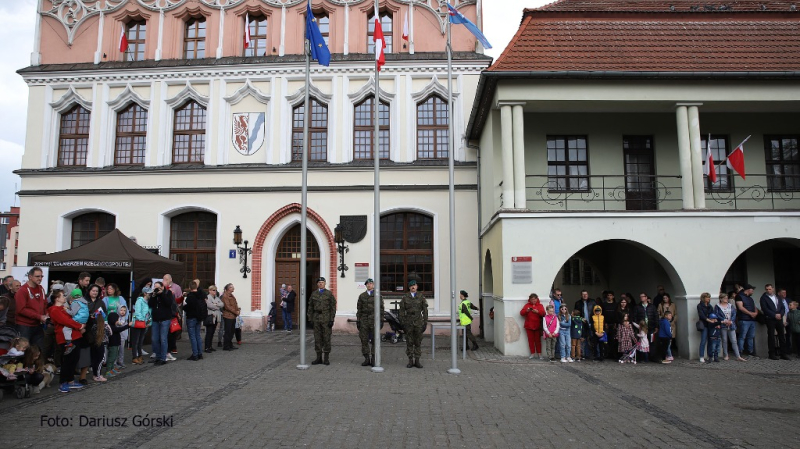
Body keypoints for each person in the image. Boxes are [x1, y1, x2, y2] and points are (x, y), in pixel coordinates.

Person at [48, 289, 85, 393]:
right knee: (68, 360)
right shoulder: (55, 310)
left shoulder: (64, 308)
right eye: (62, 296)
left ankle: (70, 380)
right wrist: (79, 326)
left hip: (75, 335)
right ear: (57, 298)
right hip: (65, 337)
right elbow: (66, 321)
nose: (64, 297)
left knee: (74, 358)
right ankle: (63, 382)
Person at [14, 267, 48, 347]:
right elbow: (21, 309)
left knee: (37, 350)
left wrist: (46, 314)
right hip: (24, 326)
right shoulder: (22, 290)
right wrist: (39, 316)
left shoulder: (41, 288)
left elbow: (45, 304)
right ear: (30, 277)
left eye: (41, 276)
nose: (40, 278)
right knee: (23, 351)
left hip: (38, 325)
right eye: (37, 276)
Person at [308, 277, 337, 365]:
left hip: (326, 318)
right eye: (319, 282)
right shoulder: (314, 294)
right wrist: (310, 319)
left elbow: (333, 307)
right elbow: (310, 307)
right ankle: (318, 357)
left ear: (325, 284)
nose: (321, 284)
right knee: (317, 338)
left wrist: (331, 319)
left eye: (322, 282)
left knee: (326, 338)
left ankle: (326, 358)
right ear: (317, 284)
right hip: (316, 318)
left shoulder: (329, 294)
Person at [399, 279, 426, 369]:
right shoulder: (405, 297)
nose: (413, 287)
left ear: (417, 286)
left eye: (414, 285)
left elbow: (425, 310)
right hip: (408, 322)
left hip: (418, 321)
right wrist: (402, 323)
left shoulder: (421, 297)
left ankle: (417, 360)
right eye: (411, 286)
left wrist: (425, 322)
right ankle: (410, 360)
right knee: (409, 342)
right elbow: (402, 311)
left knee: (418, 342)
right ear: (409, 287)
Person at [356, 278, 384, 367]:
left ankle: (373, 359)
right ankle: (366, 358)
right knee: (364, 339)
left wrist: (381, 320)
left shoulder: (377, 295)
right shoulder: (362, 296)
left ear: (373, 285)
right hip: (364, 320)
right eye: (368, 284)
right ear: (366, 285)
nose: (369, 285)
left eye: (371, 284)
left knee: (375, 340)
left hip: (374, 320)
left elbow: (381, 309)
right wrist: (358, 320)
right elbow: (359, 309)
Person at [84, 284, 108, 382]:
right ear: (89, 291)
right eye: (93, 291)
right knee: (89, 354)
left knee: (99, 353)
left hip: (98, 330)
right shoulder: (84, 301)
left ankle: (97, 374)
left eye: (97, 291)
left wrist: (100, 315)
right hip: (87, 331)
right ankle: (84, 374)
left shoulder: (100, 302)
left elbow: (105, 314)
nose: (95, 293)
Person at [760, 283, 789, 360]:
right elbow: (765, 309)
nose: (768, 290)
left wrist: (781, 314)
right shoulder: (763, 298)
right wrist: (774, 315)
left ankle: (783, 353)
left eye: (770, 289)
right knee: (771, 336)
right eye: (767, 289)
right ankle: (772, 353)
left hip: (779, 318)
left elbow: (782, 307)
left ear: (773, 289)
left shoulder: (778, 297)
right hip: (770, 319)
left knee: (782, 336)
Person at [148, 281, 174, 366]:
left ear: (162, 287)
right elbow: (150, 305)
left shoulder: (168, 293)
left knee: (163, 339)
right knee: (154, 339)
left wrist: (162, 294)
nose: (156, 289)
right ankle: (158, 356)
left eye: (158, 288)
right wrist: (153, 296)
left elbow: (168, 303)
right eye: (155, 287)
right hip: (155, 319)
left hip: (165, 319)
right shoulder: (154, 294)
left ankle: (163, 358)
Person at [715, 292, 745, 362]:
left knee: (734, 340)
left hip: (731, 324)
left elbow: (734, 313)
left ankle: (738, 356)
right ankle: (726, 355)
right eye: (725, 298)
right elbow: (717, 315)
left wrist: (731, 321)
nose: (726, 299)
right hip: (723, 325)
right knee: (724, 340)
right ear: (721, 299)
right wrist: (724, 320)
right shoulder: (717, 306)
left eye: (727, 298)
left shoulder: (730, 305)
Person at [183, 280, 207, 361]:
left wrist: (184, 307)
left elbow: (188, 307)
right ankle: (200, 353)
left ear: (190, 288)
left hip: (192, 317)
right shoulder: (201, 295)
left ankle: (195, 354)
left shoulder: (191, 296)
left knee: (192, 336)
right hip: (199, 317)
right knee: (198, 336)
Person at [735, 284, 758, 357]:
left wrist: (755, 313)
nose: (753, 292)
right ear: (748, 290)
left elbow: (754, 307)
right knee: (742, 336)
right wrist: (750, 313)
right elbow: (740, 308)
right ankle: (740, 351)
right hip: (744, 319)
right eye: (752, 290)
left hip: (751, 319)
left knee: (751, 336)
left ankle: (750, 351)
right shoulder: (739, 296)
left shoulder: (750, 298)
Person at [130, 287, 151, 365]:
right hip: (138, 323)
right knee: (136, 341)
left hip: (143, 323)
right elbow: (138, 312)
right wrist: (143, 320)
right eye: (149, 293)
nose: (151, 294)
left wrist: (147, 321)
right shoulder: (140, 301)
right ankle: (134, 357)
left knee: (140, 341)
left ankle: (139, 356)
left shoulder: (147, 301)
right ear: (145, 293)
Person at [105, 310, 129, 377]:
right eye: (117, 319)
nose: (118, 320)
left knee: (114, 357)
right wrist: (127, 326)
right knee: (111, 357)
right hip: (112, 344)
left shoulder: (114, 326)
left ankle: (112, 369)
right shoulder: (111, 327)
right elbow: (119, 329)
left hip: (115, 344)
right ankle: (108, 370)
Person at [521, 293, 545, 360]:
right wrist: (527, 311)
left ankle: (539, 353)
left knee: (538, 341)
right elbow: (521, 313)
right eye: (532, 299)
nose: (533, 301)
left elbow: (543, 314)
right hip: (529, 325)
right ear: (530, 300)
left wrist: (538, 312)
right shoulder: (527, 305)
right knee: (530, 340)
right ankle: (532, 353)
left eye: (535, 299)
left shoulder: (540, 305)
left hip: (537, 325)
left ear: (537, 299)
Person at [573, 290, 596, 360]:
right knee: (583, 339)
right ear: (581, 295)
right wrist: (580, 319)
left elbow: (596, 311)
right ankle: (584, 354)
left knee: (592, 338)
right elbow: (576, 313)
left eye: (586, 294)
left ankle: (593, 354)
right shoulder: (578, 303)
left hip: (591, 322)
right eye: (583, 294)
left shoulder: (593, 302)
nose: (585, 295)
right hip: (582, 323)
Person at [221, 283, 241, 351]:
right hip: (228, 316)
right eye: (231, 287)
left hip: (233, 316)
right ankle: (226, 346)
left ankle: (230, 344)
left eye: (233, 287)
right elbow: (227, 307)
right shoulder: (225, 296)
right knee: (228, 331)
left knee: (232, 331)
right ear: (227, 289)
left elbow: (235, 304)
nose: (233, 288)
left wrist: (238, 310)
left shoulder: (232, 295)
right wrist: (236, 312)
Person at [697, 292, 716, 363]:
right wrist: (709, 320)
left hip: (710, 325)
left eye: (709, 297)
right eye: (707, 297)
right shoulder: (700, 306)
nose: (709, 299)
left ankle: (709, 355)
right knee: (703, 340)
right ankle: (701, 356)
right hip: (704, 324)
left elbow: (712, 313)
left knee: (710, 341)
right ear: (704, 298)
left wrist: (713, 320)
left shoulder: (710, 306)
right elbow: (702, 315)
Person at [204, 285, 222, 353]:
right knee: (209, 332)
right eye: (213, 290)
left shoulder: (217, 298)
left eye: (215, 290)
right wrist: (217, 306)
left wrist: (215, 304)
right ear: (210, 291)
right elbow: (210, 306)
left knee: (212, 332)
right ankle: (206, 347)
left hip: (216, 317)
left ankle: (210, 346)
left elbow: (222, 304)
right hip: (210, 316)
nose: (215, 291)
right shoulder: (208, 297)